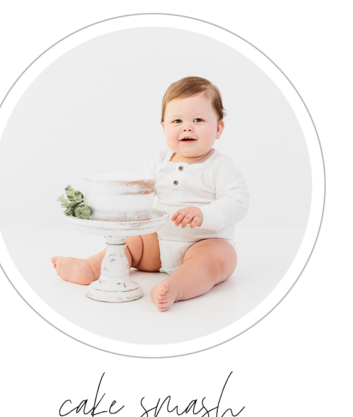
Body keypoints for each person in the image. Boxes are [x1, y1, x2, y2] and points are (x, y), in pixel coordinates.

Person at [52, 76, 249, 312]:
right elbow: (139, 190)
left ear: (218, 128)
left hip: (204, 242)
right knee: (132, 242)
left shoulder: (220, 165)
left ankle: (176, 286)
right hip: (158, 244)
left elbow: (238, 201)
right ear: (164, 127)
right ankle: (92, 268)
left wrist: (205, 214)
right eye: (177, 120)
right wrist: (111, 197)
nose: (187, 127)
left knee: (214, 260)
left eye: (198, 119)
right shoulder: (159, 162)